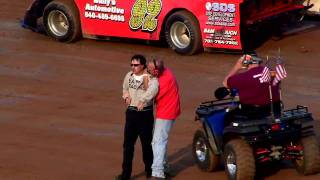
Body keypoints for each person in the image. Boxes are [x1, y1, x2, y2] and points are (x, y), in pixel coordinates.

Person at [117, 54, 159, 180]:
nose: (133, 67)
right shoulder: (128, 75)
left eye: (136, 65)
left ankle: (149, 171)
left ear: (142, 65)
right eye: (131, 65)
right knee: (127, 145)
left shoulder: (150, 77)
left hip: (145, 114)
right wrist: (126, 96)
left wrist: (142, 100)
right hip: (131, 113)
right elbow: (124, 88)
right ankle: (126, 174)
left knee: (146, 145)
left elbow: (153, 90)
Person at [147, 59, 181, 179]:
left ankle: (158, 173)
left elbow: (151, 98)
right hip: (169, 110)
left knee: (157, 142)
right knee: (161, 141)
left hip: (166, 113)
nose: (148, 70)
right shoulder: (166, 71)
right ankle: (165, 167)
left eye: (150, 69)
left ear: (156, 71)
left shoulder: (164, 81)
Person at [223, 54, 281, 119]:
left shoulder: (242, 78)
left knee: (227, 117)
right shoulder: (272, 72)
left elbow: (225, 83)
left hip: (253, 112)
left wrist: (237, 67)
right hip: (275, 109)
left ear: (245, 62)